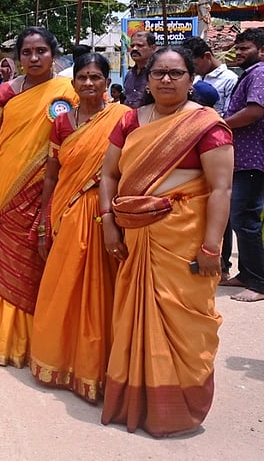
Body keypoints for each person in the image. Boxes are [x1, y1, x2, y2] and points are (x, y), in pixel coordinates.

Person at [99, 47, 232, 437]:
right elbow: (108, 175)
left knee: (183, 321)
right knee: (134, 317)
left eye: (176, 73)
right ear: (148, 77)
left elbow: (222, 189)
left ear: (192, 80)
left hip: (185, 240)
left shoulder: (207, 126)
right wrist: (108, 221)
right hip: (137, 237)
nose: (166, 80)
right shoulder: (130, 121)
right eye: (159, 73)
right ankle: (134, 402)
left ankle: (175, 409)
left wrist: (211, 248)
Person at [0, 27, 77, 368]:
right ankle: (1, 338)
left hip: (50, 186)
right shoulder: (4, 93)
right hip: (9, 189)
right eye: (27, 52)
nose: (33, 58)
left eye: (41, 51)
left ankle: (37, 341)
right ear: (18, 57)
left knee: (39, 255)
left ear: (53, 55)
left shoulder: (70, 90)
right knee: (7, 253)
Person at [28, 53, 130, 402]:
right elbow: (53, 174)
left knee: (102, 291)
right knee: (65, 285)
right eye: (82, 78)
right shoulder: (61, 123)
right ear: (73, 84)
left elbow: (127, 170)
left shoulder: (122, 118)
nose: (88, 83)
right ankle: (61, 361)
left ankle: (97, 368)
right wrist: (44, 218)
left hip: (106, 213)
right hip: (68, 211)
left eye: (95, 77)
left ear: (106, 82)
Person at [222, 27, 264, 302]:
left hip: (253, 160)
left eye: (245, 48)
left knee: (243, 218)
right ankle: (247, 273)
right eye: (238, 48)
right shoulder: (250, 74)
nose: (239, 53)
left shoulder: (260, 73)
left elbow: (255, 110)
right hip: (242, 159)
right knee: (240, 217)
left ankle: (259, 282)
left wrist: (221, 123)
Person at [182, 36, 238, 115]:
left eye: (195, 65)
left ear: (207, 56)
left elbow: (230, 113)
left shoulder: (230, 79)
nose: (193, 69)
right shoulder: (195, 78)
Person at [122, 30, 157, 108]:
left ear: (153, 48)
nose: (134, 49)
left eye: (140, 45)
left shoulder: (157, 73)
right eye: (132, 46)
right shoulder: (129, 74)